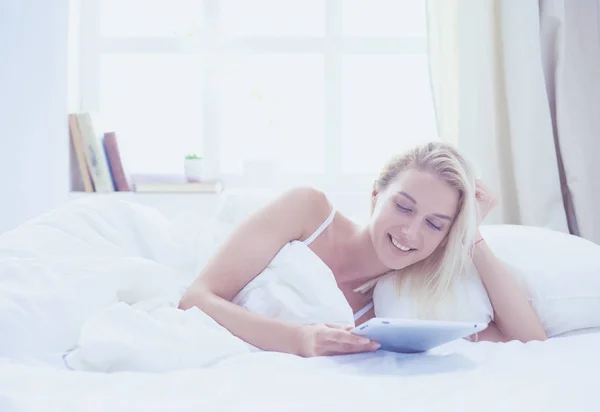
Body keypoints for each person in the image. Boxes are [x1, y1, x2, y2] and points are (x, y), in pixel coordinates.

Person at [178, 141, 547, 357]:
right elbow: (195, 297)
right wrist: (299, 339)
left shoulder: (405, 304)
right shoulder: (307, 210)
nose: (410, 232)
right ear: (375, 195)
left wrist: (473, 237)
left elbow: (531, 342)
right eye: (403, 207)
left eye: (435, 224)